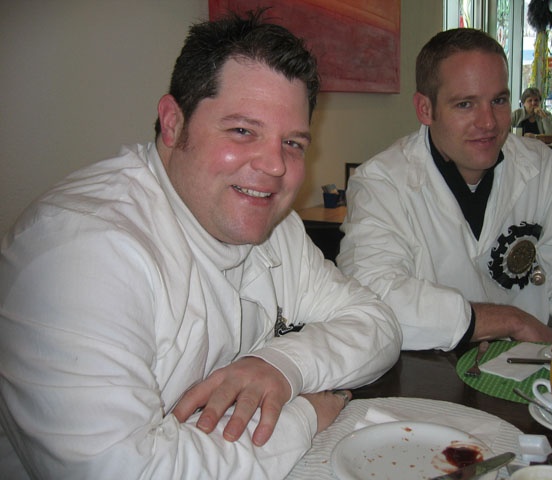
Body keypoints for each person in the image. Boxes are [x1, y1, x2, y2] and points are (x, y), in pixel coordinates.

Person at [0, 10, 402, 479]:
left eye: (292, 143)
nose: (275, 166)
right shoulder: (79, 255)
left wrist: (281, 365)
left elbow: (377, 324)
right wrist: (305, 414)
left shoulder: (274, 226)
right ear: (173, 123)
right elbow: (122, 471)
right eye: (243, 131)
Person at [337, 28, 552, 351]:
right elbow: (373, 295)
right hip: (427, 366)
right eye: (465, 104)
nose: (489, 122)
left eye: (498, 101)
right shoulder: (381, 182)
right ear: (425, 109)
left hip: (523, 365)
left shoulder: (543, 170)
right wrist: (509, 320)